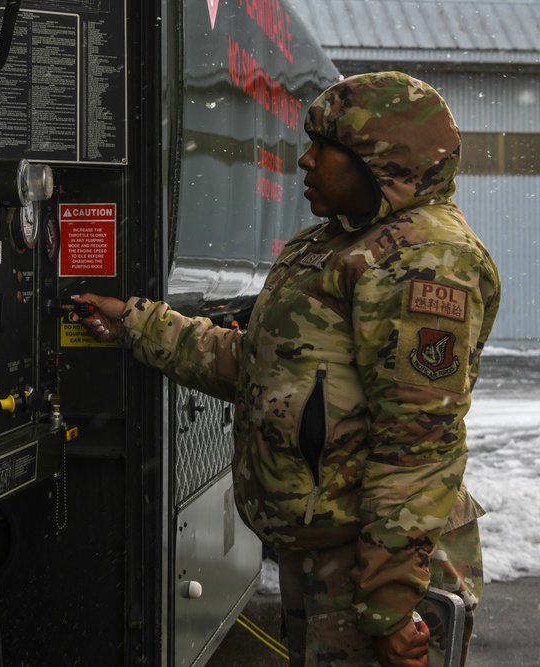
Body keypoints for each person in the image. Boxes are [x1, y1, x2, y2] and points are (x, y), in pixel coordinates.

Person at [74, 72, 501, 667]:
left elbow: (418, 442)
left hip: (373, 562)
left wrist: (388, 602)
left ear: (382, 164)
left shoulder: (424, 261)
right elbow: (262, 368)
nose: (304, 160)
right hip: (331, 555)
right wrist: (137, 324)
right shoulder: (331, 245)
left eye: (325, 148)